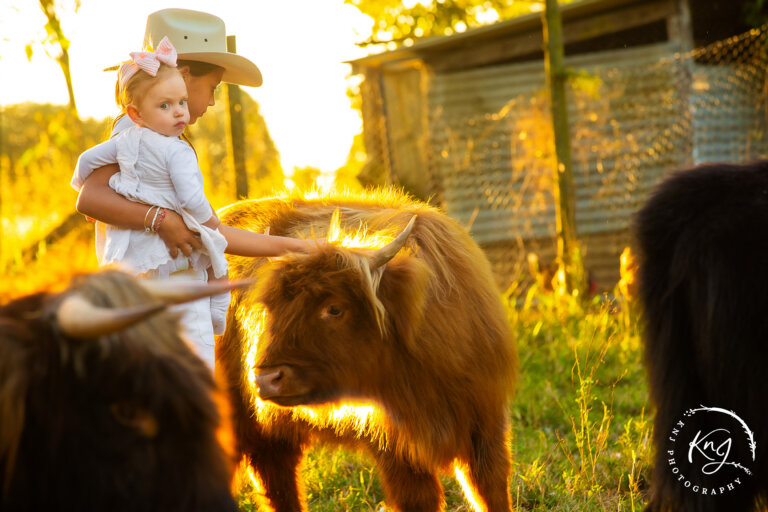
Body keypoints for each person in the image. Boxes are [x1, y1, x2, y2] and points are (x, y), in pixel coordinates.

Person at [73, 9, 312, 368]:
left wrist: (290, 247)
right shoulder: (135, 134)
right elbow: (90, 197)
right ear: (183, 76)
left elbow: (207, 232)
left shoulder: (164, 141)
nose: (214, 101)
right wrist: (161, 219)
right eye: (213, 87)